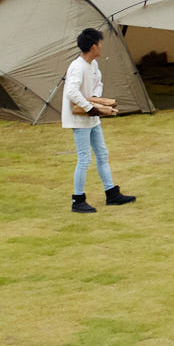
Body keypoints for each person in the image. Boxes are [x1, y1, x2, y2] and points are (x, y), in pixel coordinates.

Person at [62, 27, 135, 214]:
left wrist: (96, 99)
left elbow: (98, 84)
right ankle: (77, 200)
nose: (101, 47)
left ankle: (111, 193)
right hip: (80, 120)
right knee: (84, 158)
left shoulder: (93, 65)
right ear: (93, 46)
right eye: (100, 44)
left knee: (102, 154)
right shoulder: (77, 67)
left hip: (92, 118)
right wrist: (90, 107)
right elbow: (72, 92)